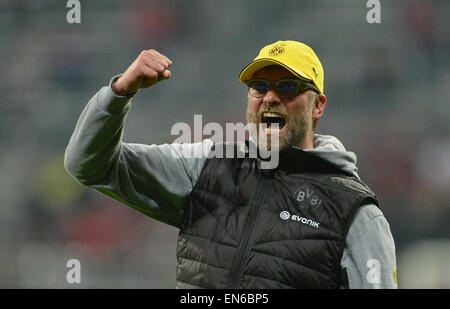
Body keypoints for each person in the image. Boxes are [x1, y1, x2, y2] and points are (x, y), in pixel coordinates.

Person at [64, 40, 397, 289]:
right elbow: (88, 165)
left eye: (287, 86)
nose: (270, 96)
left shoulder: (355, 212)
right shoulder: (208, 167)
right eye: (259, 86)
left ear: (318, 106)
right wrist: (120, 92)